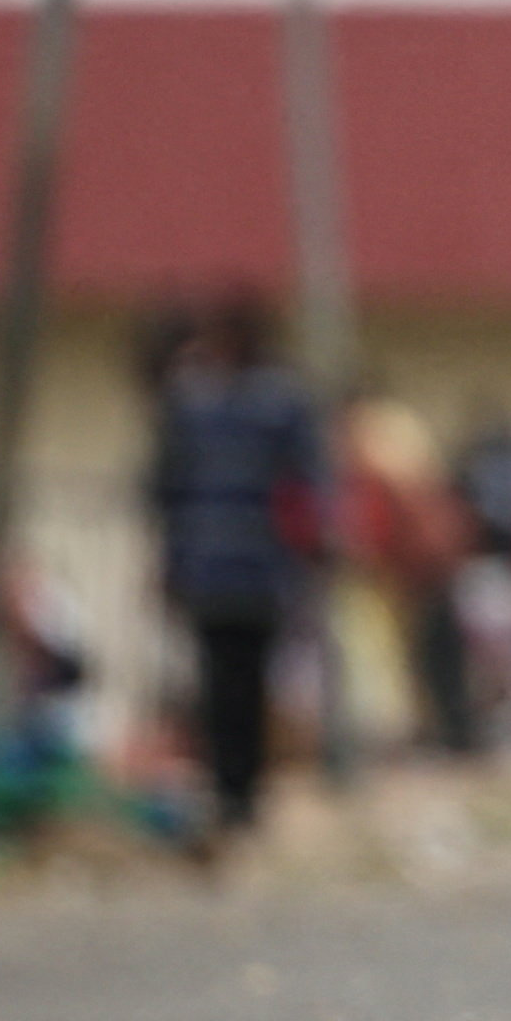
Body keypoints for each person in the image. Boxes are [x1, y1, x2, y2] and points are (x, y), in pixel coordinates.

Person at [147, 296, 327, 839]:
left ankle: (245, 791)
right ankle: (226, 791)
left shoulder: (280, 401)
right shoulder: (190, 399)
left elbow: (309, 482)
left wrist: (311, 547)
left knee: (250, 682)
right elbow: (166, 490)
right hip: (208, 569)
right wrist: (169, 563)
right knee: (215, 684)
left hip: (262, 570)